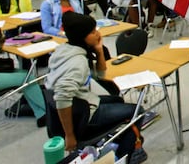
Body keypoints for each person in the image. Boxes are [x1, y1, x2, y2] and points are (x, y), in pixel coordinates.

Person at [46, 12, 144, 158]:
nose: (97, 34)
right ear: (82, 36)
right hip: (83, 117)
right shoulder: (77, 62)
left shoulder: (65, 49)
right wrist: (70, 136)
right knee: (138, 111)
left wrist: (99, 51)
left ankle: (125, 140)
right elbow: (62, 98)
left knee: (118, 100)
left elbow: (101, 76)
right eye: (92, 32)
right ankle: (125, 156)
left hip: (81, 105)